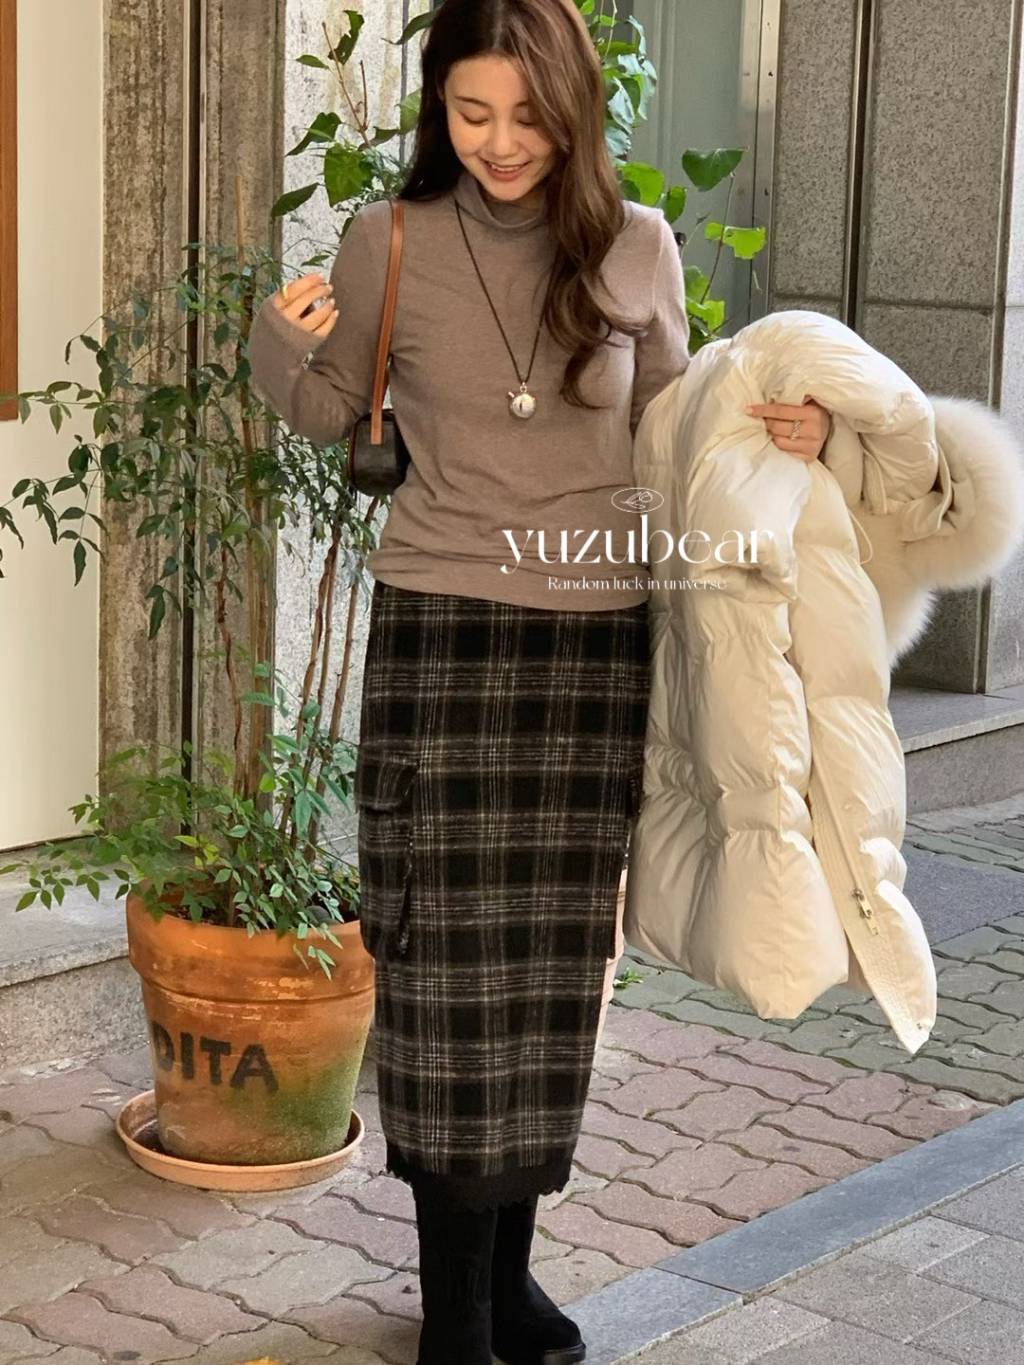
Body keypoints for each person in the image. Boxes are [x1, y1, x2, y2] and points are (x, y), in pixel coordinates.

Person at [247, 2, 829, 1360]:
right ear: (437, 108)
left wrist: (794, 431)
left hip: (586, 654)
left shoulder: (636, 245)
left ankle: (510, 1281)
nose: (501, 143)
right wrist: (278, 339)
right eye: (471, 112)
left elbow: (683, 433)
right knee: (446, 986)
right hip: (442, 645)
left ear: (574, 112)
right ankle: (456, 1312)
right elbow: (332, 410)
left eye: (527, 115)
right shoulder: (389, 240)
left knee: (553, 979)